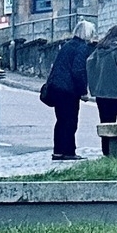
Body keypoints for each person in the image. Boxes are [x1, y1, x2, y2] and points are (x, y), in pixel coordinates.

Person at [41, 21, 95, 161]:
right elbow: (78, 71)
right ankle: (69, 152)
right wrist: (83, 91)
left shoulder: (67, 45)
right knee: (70, 121)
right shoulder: (82, 47)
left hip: (56, 87)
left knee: (61, 121)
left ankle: (58, 151)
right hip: (68, 90)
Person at [87, 24, 117, 124]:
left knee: (107, 127)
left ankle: (107, 141)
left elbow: (89, 63)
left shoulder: (99, 49)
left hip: (102, 95)